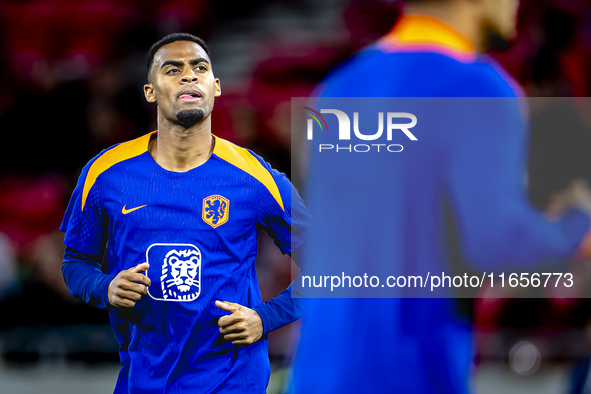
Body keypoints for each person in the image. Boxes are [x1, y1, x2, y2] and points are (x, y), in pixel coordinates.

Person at [291, 0, 591, 393]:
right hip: (408, 377)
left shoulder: (336, 89)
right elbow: (496, 245)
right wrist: (576, 225)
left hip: (315, 374)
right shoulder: (476, 87)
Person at [60, 33, 309, 394]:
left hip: (233, 380)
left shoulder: (255, 177)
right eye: (172, 69)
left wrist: (265, 318)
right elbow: (74, 262)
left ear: (216, 87)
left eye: (200, 68)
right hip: (142, 380)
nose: (188, 76)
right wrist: (106, 286)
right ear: (150, 91)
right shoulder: (105, 174)